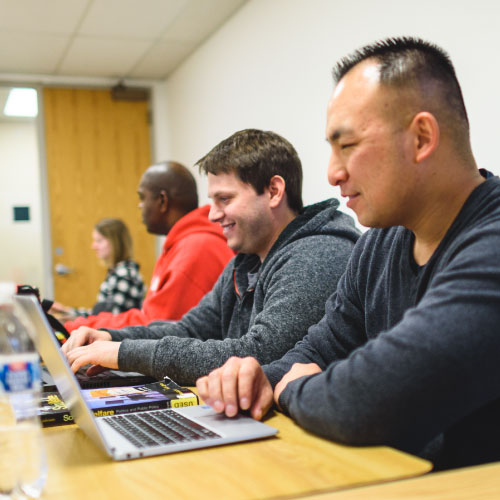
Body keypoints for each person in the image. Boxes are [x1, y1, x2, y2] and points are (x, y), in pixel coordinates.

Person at [196, 38, 500, 471]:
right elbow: (322, 346)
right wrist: (259, 378)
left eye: (349, 146)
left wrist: (288, 391)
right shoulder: (379, 241)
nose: (333, 173)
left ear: (421, 137)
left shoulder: (491, 240)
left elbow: (377, 398)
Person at [61, 129, 360, 385]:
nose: (213, 214)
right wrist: (110, 338)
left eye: (224, 199)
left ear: (273, 191)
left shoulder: (316, 255)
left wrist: (124, 353)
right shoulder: (245, 262)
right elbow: (189, 328)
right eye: (212, 201)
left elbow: (257, 355)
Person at [64, 161, 234, 332]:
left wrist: (79, 327)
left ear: (162, 201)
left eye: (142, 198)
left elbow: (157, 328)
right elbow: (151, 316)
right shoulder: (181, 245)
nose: (140, 205)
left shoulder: (195, 250)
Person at [51, 218, 145, 320]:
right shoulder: (118, 271)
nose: (93, 246)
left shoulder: (124, 275)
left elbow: (110, 320)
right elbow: (99, 314)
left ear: (115, 243)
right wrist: (66, 311)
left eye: (99, 241)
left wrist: (69, 317)